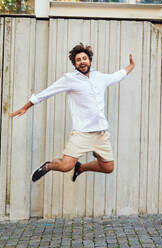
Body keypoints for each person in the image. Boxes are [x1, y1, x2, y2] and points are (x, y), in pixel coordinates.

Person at [9, 43, 135, 182]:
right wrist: (26, 107)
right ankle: (48, 166)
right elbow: (47, 92)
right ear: (75, 65)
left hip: (100, 133)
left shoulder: (99, 77)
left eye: (84, 58)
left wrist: (131, 66)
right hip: (82, 133)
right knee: (65, 166)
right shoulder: (70, 79)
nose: (82, 62)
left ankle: (80, 168)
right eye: (78, 60)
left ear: (90, 60)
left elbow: (118, 75)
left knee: (108, 167)